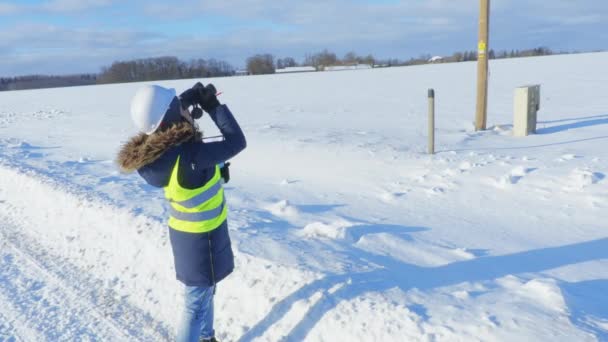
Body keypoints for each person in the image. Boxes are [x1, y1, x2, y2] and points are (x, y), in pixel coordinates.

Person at [117, 82, 246, 342]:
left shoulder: (160, 155)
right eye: (177, 105)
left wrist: (185, 100)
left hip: (187, 234)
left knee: (205, 293)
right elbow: (236, 141)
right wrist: (213, 106)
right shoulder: (192, 154)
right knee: (195, 304)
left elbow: (163, 120)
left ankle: (207, 338)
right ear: (172, 115)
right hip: (203, 238)